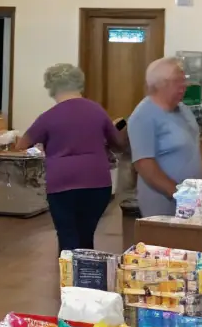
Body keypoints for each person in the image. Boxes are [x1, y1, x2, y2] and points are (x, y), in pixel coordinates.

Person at [15, 62, 125, 253]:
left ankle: (69, 279)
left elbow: (22, 145)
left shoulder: (48, 117)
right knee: (86, 235)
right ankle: (87, 277)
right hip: (97, 182)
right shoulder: (97, 110)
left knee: (67, 236)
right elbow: (118, 143)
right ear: (80, 83)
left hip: (62, 183)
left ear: (51, 88)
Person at [128, 57, 202, 218]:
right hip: (163, 202)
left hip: (189, 201)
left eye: (184, 81)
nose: (184, 86)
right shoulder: (143, 116)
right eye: (178, 81)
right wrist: (178, 193)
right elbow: (144, 164)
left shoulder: (183, 109)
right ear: (160, 84)